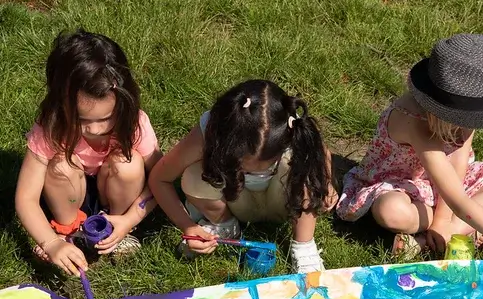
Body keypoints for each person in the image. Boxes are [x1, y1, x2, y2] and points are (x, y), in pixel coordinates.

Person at [336, 33, 483, 266]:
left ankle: (430, 239)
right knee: (392, 211)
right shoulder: (415, 122)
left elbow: (459, 163)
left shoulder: (466, 109)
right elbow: (458, 201)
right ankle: (467, 229)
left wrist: (442, 220)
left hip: (447, 182)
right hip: (401, 184)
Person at [148, 79, 337, 273]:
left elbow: (322, 155)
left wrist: (326, 183)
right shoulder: (212, 129)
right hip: (234, 202)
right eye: (243, 165)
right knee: (192, 175)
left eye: (265, 164)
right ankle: (224, 223)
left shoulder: (293, 130)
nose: (253, 172)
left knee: (307, 166)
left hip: (282, 202)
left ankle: (303, 246)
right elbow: (160, 178)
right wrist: (187, 226)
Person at [14, 29, 162, 276]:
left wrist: (128, 221)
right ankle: (67, 231)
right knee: (62, 165)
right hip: (68, 195)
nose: (95, 129)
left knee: (128, 162)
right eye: (81, 119)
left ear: (124, 102)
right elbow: (25, 198)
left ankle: (112, 229)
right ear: (61, 104)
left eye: (106, 118)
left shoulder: (133, 123)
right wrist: (50, 243)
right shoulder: (52, 127)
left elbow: (160, 179)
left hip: (115, 194)